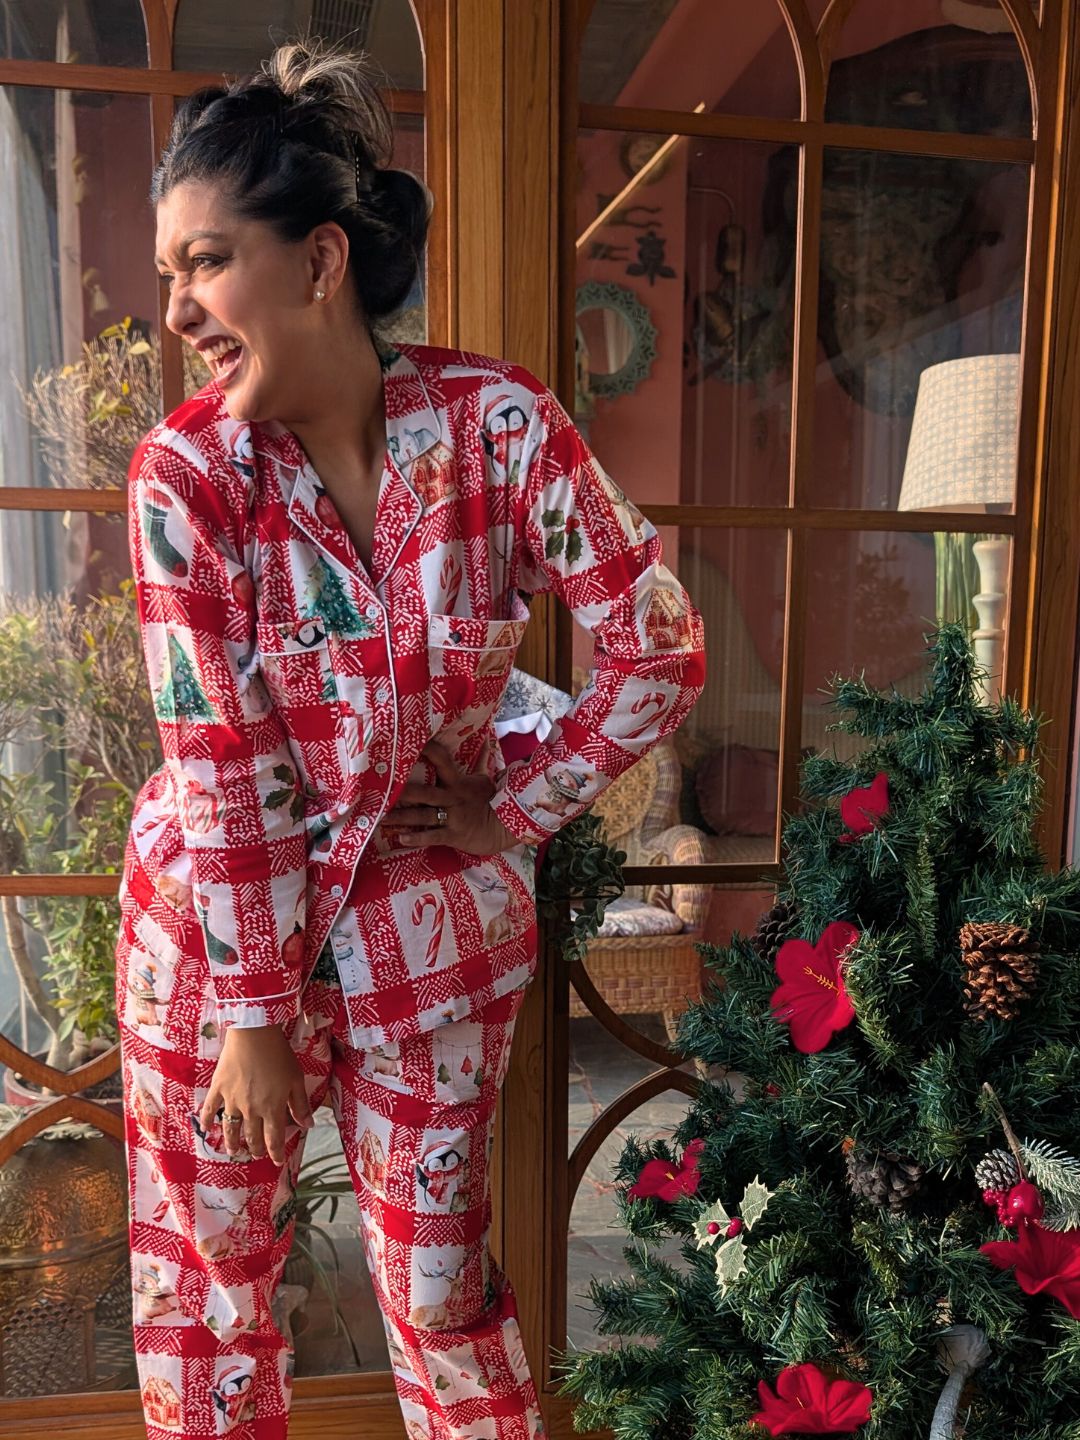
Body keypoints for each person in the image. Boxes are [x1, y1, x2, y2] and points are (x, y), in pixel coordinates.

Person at [115, 36, 705, 1440]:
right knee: (213, 1310)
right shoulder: (185, 479)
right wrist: (256, 1014)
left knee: (441, 1293)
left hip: (434, 937)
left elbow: (658, 643)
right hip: (211, 947)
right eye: (170, 274)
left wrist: (521, 802)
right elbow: (222, 759)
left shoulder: (497, 425)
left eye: (206, 263)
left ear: (319, 261)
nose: (182, 307)